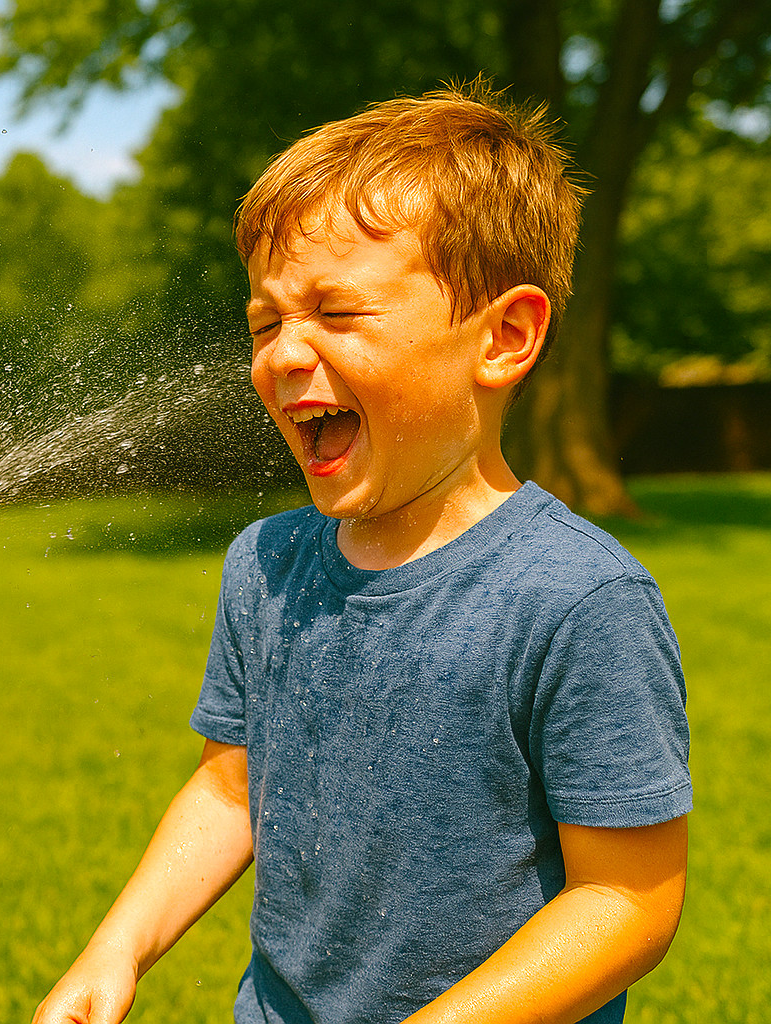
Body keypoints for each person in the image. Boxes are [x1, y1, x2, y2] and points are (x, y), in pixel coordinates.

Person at [34, 84, 691, 1024]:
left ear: (505, 337)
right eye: (266, 323)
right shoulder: (268, 564)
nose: (287, 354)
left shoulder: (577, 598)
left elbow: (629, 901)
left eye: (338, 315)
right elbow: (233, 786)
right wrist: (117, 947)